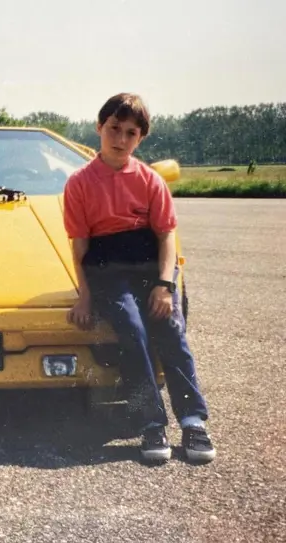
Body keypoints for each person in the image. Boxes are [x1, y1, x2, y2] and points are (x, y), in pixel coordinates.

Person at [63, 93, 216, 464]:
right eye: (114, 128)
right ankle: (150, 421)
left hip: (150, 267)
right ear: (100, 127)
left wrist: (165, 286)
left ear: (140, 138)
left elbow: (166, 237)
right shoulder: (80, 184)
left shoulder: (150, 181)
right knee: (131, 331)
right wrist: (85, 297)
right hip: (107, 269)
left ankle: (193, 420)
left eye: (131, 133)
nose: (120, 139)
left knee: (170, 330)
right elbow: (80, 248)